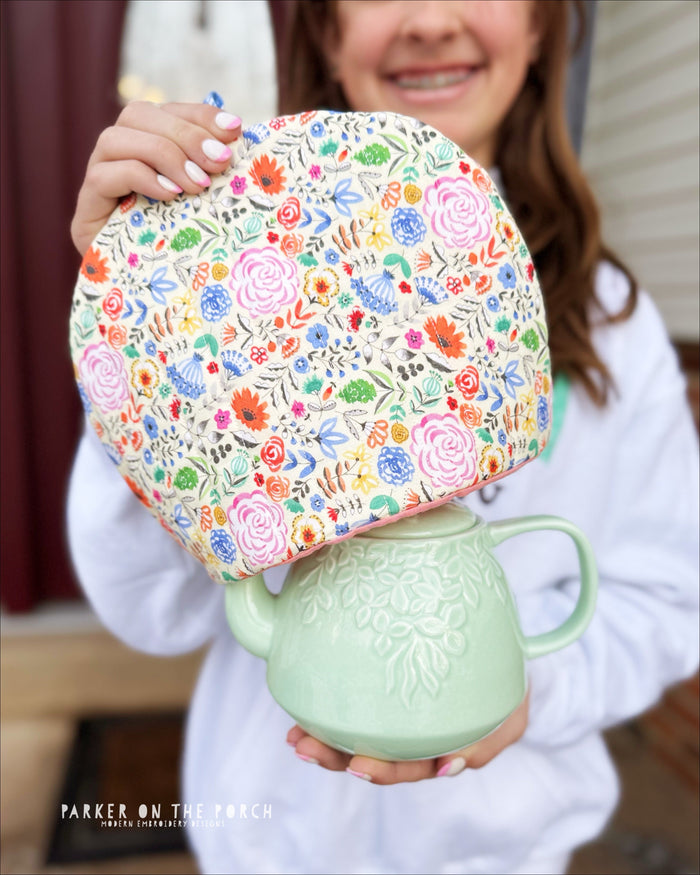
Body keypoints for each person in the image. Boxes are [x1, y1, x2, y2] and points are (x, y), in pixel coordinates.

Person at [67, 2, 699, 873]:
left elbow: (664, 600)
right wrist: (142, 338)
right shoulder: (228, 294)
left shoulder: (615, 326)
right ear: (324, 32)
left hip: (504, 852)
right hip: (268, 841)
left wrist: (525, 684)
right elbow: (154, 611)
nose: (431, 20)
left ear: (546, 26)